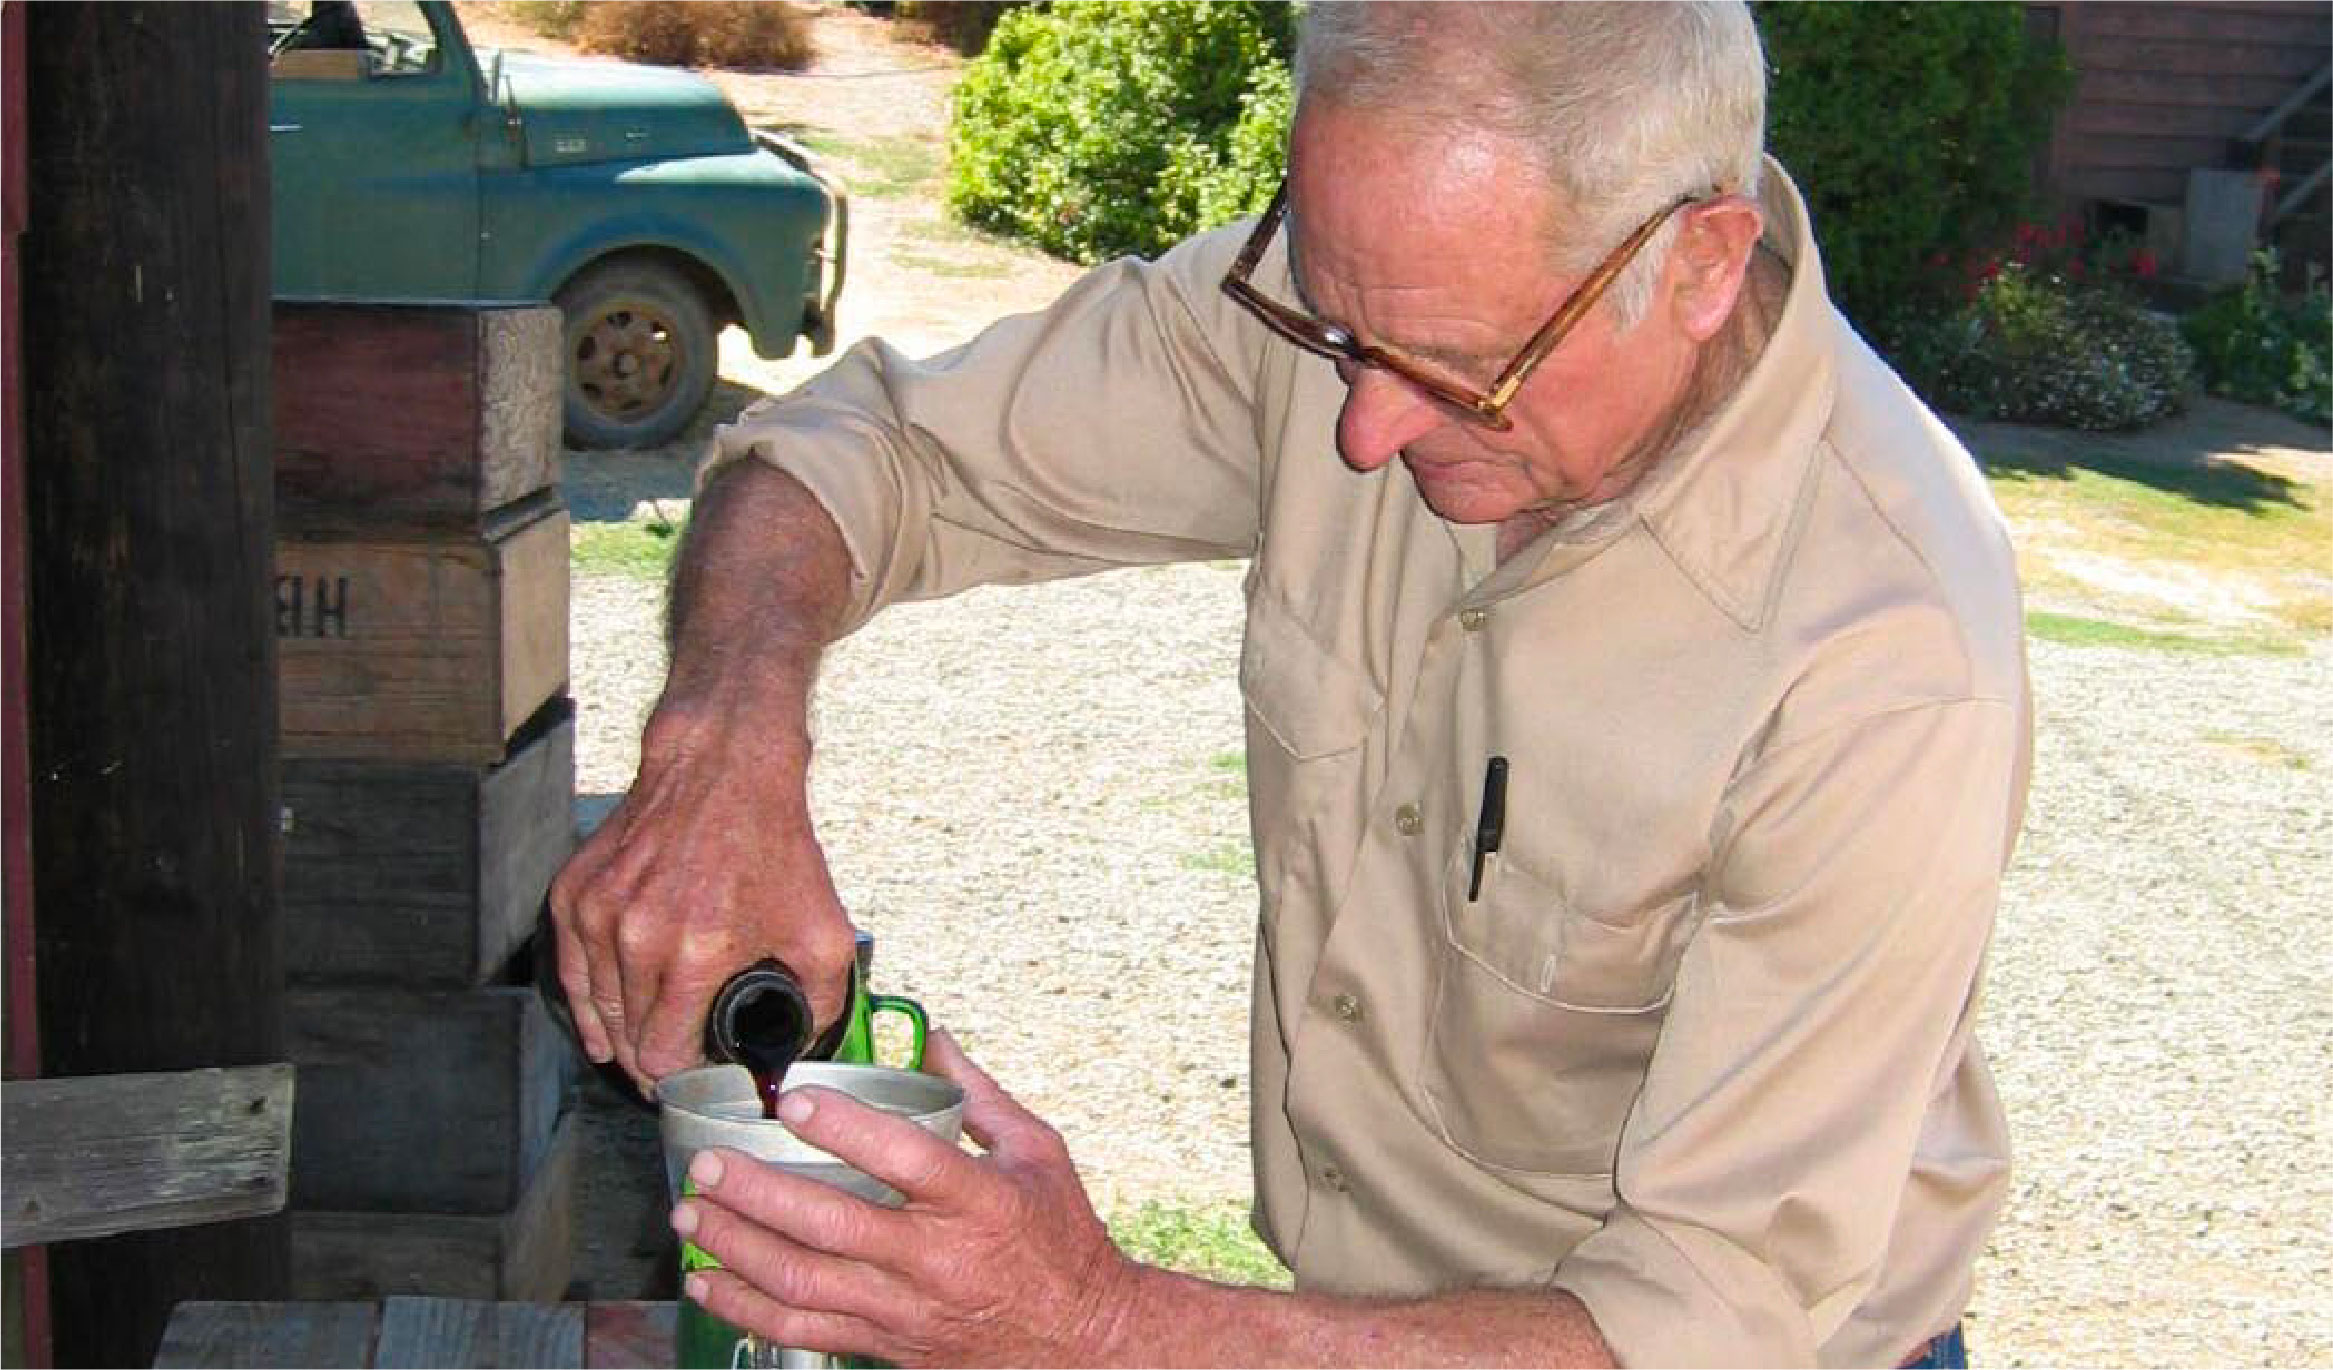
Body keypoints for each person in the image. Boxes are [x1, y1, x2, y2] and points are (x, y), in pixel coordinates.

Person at [547, 3, 2030, 1365]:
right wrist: (717, 749)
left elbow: (1699, 1319)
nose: (1364, 429)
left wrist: (1096, 1323)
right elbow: (870, 453)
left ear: (1698, 267)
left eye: (1454, 372)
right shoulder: (1385, 302)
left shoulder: (1886, 658)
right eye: (1334, 325)